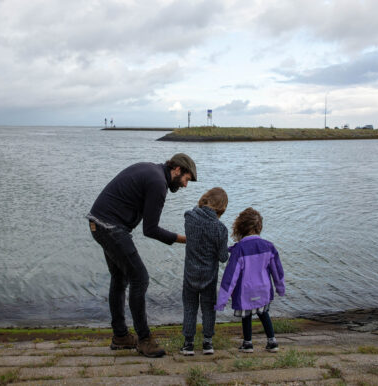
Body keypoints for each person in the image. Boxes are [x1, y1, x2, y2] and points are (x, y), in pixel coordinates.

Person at [87, 153, 197, 358]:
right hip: (110, 227)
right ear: (177, 170)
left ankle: (120, 336)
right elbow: (151, 229)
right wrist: (186, 239)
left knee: (120, 278)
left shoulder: (152, 171)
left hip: (98, 223)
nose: (185, 185)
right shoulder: (158, 183)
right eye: (186, 179)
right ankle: (144, 340)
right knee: (140, 278)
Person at [214, 207, 285, 353]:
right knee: (264, 314)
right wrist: (280, 288)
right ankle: (272, 341)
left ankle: (248, 343)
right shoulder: (269, 246)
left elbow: (230, 277)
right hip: (263, 290)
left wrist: (221, 301)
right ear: (259, 227)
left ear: (240, 227)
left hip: (245, 291)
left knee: (246, 316)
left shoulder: (239, 249)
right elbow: (277, 271)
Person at [180, 187, 229, 356]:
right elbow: (223, 257)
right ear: (222, 207)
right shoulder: (220, 229)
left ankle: (188, 344)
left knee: (189, 307)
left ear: (205, 198)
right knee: (208, 308)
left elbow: (192, 213)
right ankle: (207, 343)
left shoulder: (189, 217)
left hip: (190, 273)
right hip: (209, 275)